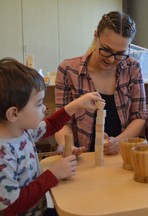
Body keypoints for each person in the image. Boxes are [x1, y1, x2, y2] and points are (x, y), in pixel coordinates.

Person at [0, 58, 101, 215]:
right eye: (39, 104)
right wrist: (53, 174)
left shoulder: (23, 130)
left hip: (37, 208)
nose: (45, 108)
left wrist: (77, 104)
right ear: (14, 113)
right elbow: (10, 207)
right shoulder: (3, 154)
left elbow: (51, 125)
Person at [54, 11, 148, 156]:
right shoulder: (68, 69)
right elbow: (62, 121)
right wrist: (68, 147)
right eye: (106, 50)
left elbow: (139, 116)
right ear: (95, 36)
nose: (111, 60)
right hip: (83, 157)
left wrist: (119, 142)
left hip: (121, 156)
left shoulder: (132, 68)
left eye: (120, 53)